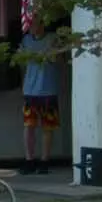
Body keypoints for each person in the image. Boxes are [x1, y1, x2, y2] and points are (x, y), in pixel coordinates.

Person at [20, 16, 63, 175]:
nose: (32, 28)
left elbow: (60, 60)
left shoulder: (52, 39)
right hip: (30, 89)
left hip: (48, 88)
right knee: (28, 126)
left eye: (35, 24)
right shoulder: (26, 40)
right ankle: (29, 159)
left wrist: (52, 53)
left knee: (47, 126)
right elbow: (22, 61)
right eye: (30, 25)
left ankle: (45, 160)